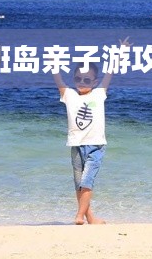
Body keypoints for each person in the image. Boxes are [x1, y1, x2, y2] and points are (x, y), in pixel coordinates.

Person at [53, 37, 130, 225]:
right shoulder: (69, 95)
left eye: (87, 79)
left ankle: (79, 216)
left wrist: (121, 52)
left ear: (95, 82)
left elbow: (110, 71)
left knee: (87, 181)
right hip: (76, 146)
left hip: (96, 146)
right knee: (79, 183)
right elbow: (57, 77)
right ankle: (90, 217)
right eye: (78, 79)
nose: (82, 82)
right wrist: (53, 60)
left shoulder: (99, 93)